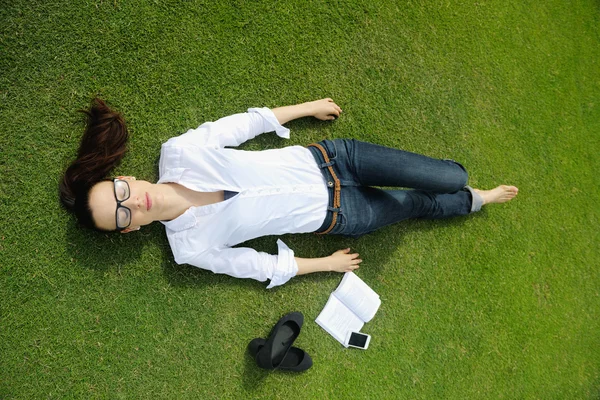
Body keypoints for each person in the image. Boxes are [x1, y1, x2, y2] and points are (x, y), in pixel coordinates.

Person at [60, 98, 518, 288]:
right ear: (129, 229)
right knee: (417, 203)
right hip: (343, 215)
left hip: (335, 159)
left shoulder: (180, 153)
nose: (130, 202)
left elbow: (246, 123)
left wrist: (307, 108)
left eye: (118, 190)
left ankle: (462, 188)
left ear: (127, 179)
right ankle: (476, 200)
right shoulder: (189, 248)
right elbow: (257, 265)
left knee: (448, 176)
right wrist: (327, 264)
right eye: (120, 215)